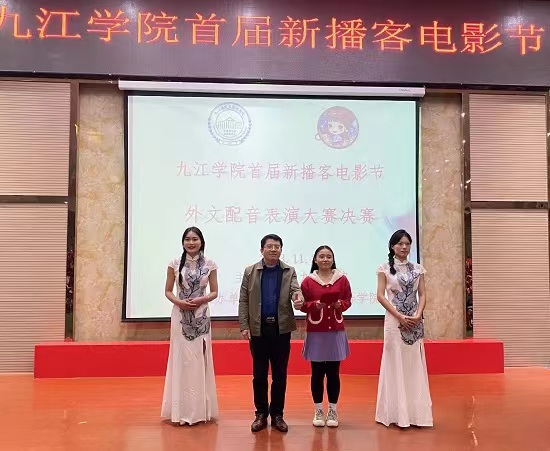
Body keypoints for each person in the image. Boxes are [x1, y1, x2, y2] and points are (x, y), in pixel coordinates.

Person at [238, 234, 304, 433]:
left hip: (280, 330)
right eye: (270, 246)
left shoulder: (289, 271)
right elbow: (243, 300)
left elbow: (295, 290)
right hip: (258, 330)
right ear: (262, 250)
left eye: (277, 246)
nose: (273, 249)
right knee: (259, 375)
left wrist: (298, 298)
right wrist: (244, 325)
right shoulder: (250, 271)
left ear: (281, 250)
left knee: (280, 375)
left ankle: (277, 414)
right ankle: (260, 413)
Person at [161, 226, 219, 425]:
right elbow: (168, 291)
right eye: (188, 239)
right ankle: (180, 410)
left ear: (201, 242)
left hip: (201, 315)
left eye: (195, 239)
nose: (191, 242)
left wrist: (202, 299)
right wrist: (179, 302)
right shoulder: (174, 264)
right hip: (180, 315)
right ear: (183, 242)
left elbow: (214, 292)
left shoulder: (210, 264)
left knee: (198, 359)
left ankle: (199, 410)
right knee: (181, 359)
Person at [375, 229, 433, 428]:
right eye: (400, 243)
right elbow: (380, 295)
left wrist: (418, 315)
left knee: (413, 361)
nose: (404, 247)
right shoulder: (384, 268)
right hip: (394, 321)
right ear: (392, 246)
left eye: (407, 243)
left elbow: (422, 294)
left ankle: (416, 414)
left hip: (414, 320)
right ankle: (394, 413)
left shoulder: (418, 269)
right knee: (395, 361)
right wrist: (399, 316)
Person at [300, 245, 352, 428]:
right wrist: (315, 305)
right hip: (316, 332)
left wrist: (340, 305)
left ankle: (332, 410)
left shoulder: (342, 279)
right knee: (317, 372)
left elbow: (348, 300)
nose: (325, 259)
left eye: (328, 256)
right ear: (315, 260)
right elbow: (302, 305)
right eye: (321, 256)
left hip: (335, 331)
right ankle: (318, 410)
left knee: (333, 372)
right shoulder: (308, 282)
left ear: (333, 259)